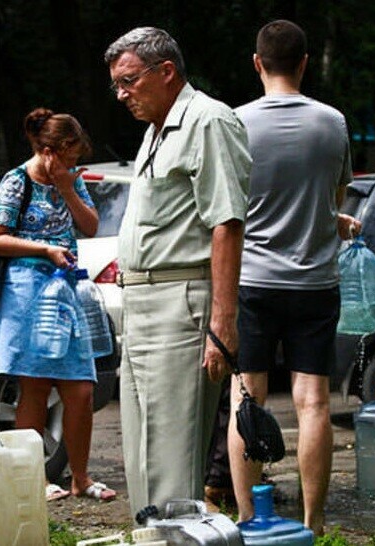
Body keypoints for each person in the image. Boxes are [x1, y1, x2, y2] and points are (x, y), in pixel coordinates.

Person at [104, 27, 251, 514]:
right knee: (141, 451)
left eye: (129, 81)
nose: (122, 94)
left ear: (166, 72)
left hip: (181, 301)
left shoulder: (208, 121)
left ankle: (174, 538)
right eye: (117, 85)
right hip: (142, 301)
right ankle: (152, 537)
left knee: (172, 452)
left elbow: (226, 223)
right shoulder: (155, 129)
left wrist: (222, 324)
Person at [228, 20, 358, 534]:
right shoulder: (333, 122)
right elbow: (336, 197)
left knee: (248, 399)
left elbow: (226, 205)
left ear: (257, 63)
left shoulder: (235, 123)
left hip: (253, 282)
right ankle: (314, 519)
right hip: (315, 283)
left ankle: (245, 520)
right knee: (313, 402)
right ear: (304, 63)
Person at [0, 107, 115, 502]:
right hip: (26, 292)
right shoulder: (17, 181)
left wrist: (67, 187)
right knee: (33, 388)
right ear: (49, 150)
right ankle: (35, 478)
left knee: (81, 389)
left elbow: (90, 226)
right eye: (69, 156)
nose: (73, 163)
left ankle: (81, 477)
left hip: (64, 293)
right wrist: (45, 248)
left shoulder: (71, 180)